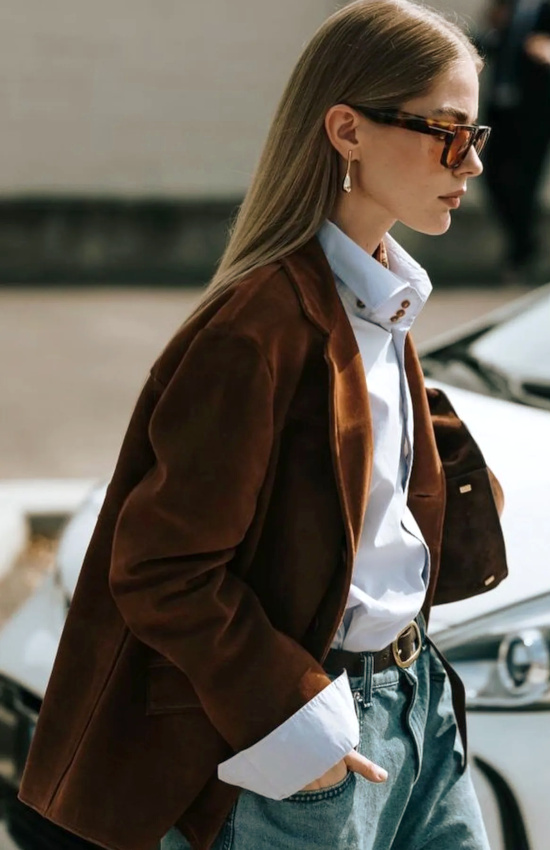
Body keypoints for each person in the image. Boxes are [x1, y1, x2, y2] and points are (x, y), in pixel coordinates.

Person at [17, 2, 508, 849]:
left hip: (418, 709)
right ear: (347, 130)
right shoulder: (258, 328)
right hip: (310, 736)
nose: (468, 162)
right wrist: (300, 719)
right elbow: (163, 568)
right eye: (445, 132)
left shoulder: (381, 301)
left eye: (477, 136)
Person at [479, 0, 550, 282]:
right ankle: (525, 247)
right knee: (490, 179)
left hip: (537, 120)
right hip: (500, 116)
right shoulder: (503, 8)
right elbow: (486, 46)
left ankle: (521, 256)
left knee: (526, 187)